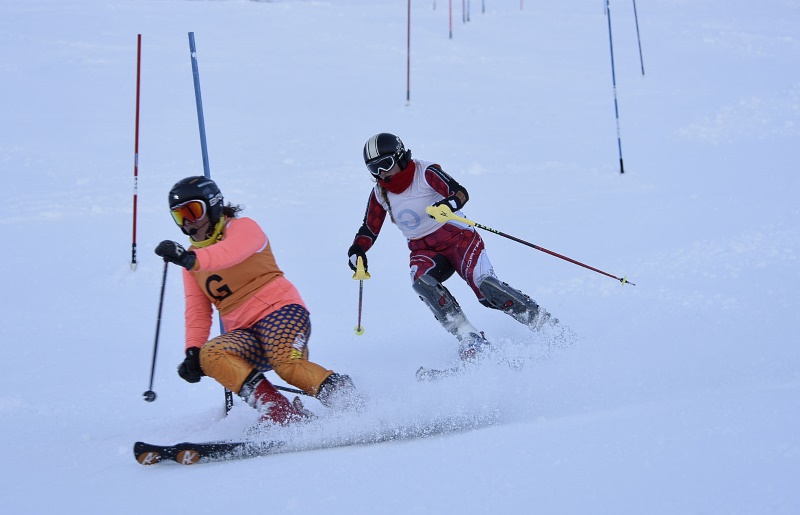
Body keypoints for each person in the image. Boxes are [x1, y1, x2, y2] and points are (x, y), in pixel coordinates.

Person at [156, 176, 357, 426]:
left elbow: (228, 253)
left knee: (288, 366)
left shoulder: (243, 228)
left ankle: (350, 402)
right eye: (179, 216)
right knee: (212, 354)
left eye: (193, 211)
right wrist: (193, 352)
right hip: (245, 334)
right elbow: (197, 311)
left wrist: (190, 259)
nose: (187, 223)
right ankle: (279, 411)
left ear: (213, 205)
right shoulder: (191, 262)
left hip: (280, 312)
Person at [348, 133, 553, 361]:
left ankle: (541, 321)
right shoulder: (380, 193)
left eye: (385, 165)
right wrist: (358, 250)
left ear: (400, 157)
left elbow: (460, 192)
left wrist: (447, 204)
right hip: (423, 250)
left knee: (487, 290)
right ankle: (469, 337)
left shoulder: (424, 173)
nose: (382, 174)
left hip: (458, 239)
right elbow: (369, 228)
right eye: (373, 169)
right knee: (422, 283)